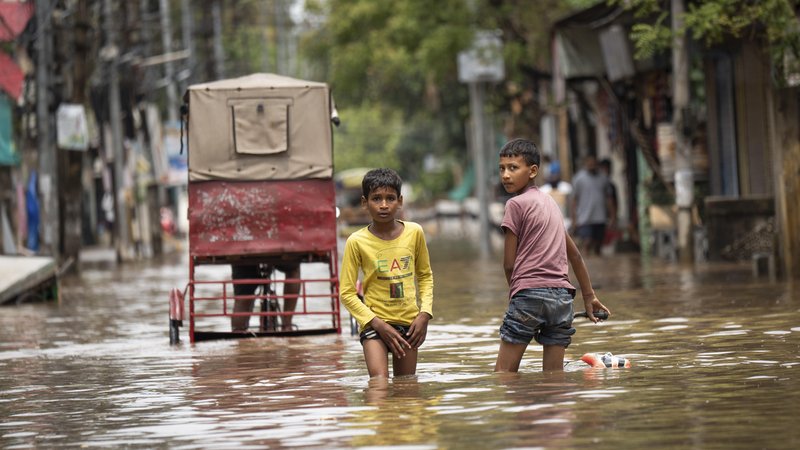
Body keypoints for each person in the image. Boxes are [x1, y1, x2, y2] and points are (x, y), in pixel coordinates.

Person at [494, 138, 609, 372]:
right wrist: (589, 296)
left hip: (528, 295)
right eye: (502, 168)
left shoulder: (515, 205)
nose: (505, 175)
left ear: (533, 171)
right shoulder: (550, 204)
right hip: (562, 299)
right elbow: (575, 256)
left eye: (513, 168)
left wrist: (517, 298)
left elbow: (508, 264)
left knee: (503, 376)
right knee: (554, 379)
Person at [339, 168, 434, 378]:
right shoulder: (356, 241)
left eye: (390, 198)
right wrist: (376, 323)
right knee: (378, 384)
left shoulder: (414, 232)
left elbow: (425, 276)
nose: (383, 205)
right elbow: (346, 292)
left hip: (409, 325)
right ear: (365, 203)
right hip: (374, 323)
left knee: (406, 386)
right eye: (376, 199)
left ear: (399, 201)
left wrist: (425, 314)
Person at [230, 262, 300, 332]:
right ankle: (287, 325)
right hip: (277, 253)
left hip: (245, 255)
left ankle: (238, 331)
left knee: (243, 295)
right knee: (293, 269)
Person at [570, 155, 612, 256]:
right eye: (589, 163)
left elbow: (609, 198)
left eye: (594, 163)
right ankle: (587, 267)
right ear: (586, 164)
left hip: (600, 217)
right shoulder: (578, 179)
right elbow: (574, 200)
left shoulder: (603, 178)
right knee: (587, 243)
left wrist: (612, 216)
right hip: (584, 218)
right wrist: (574, 219)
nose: (592, 166)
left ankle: (599, 268)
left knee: (598, 246)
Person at [539, 160, 573, 229]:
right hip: (549, 225)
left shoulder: (566, 188)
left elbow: (571, 206)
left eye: (556, 174)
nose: (554, 177)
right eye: (552, 174)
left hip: (565, 223)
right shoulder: (543, 190)